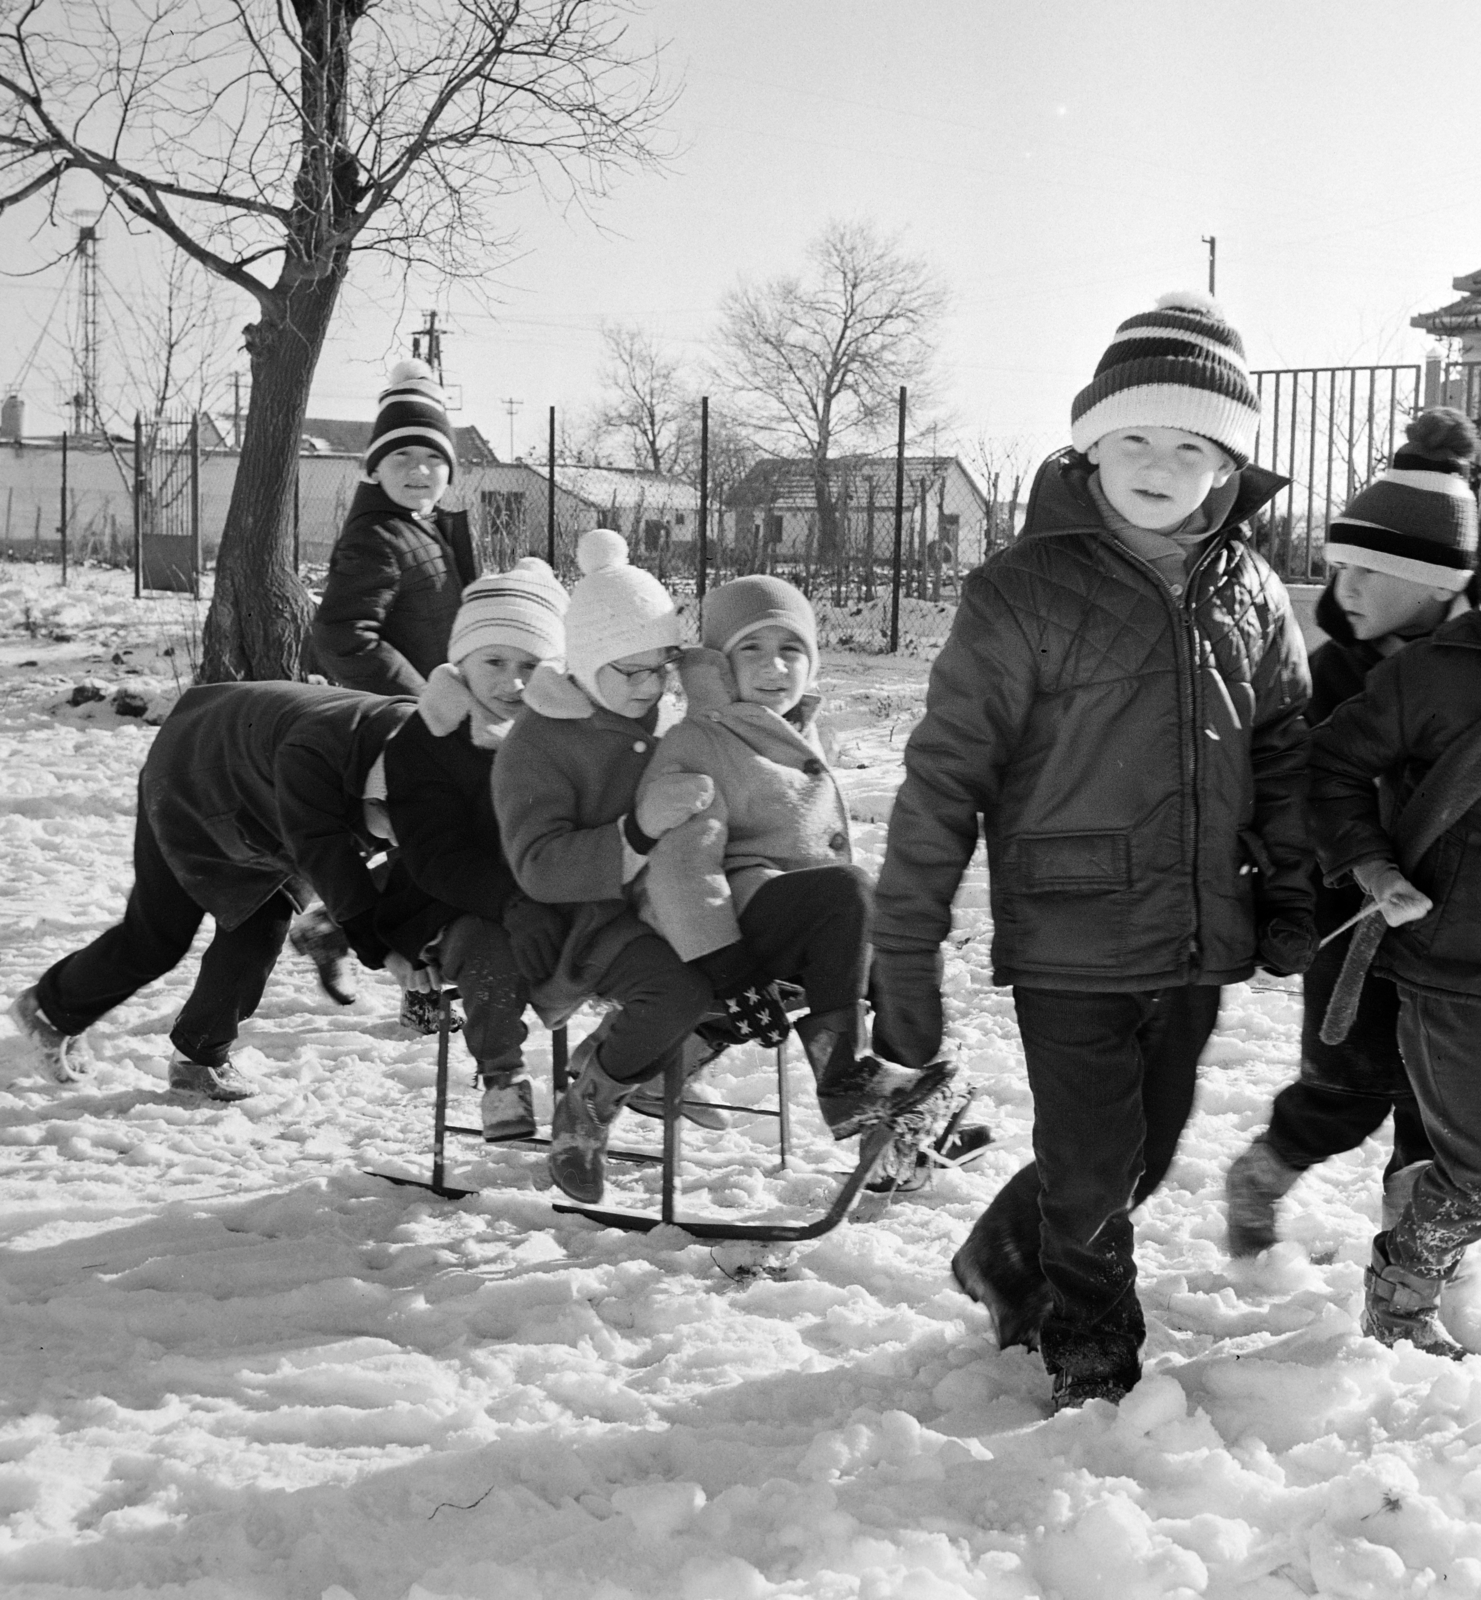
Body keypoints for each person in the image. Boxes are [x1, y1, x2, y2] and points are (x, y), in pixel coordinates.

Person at [869, 291, 1315, 1410]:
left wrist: (1292, 885)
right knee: (1090, 1163)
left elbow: (1285, 753)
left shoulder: (1252, 592)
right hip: (1070, 929)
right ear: (1087, 443)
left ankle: (1002, 1255)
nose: (1157, 463)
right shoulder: (1017, 592)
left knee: (1143, 1157)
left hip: (1197, 929)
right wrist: (903, 957)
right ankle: (1089, 1348)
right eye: (1132, 438)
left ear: (1225, 465)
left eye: (1189, 444)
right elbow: (940, 782)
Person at [1224, 410, 1479, 1255]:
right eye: (1340, 568)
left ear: (1440, 584)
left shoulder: (1463, 674)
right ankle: (1265, 1170)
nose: (1346, 590)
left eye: (1370, 570)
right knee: (1348, 1087)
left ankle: (1411, 1270)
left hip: (1453, 942)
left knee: (1436, 1112)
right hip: (1358, 927)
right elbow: (1309, 779)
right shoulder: (1337, 673)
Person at [636, 575, 961, 1165]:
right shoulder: (700, 740)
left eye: (792, 650)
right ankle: (845, 1081)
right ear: (719, 663)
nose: (774, 667)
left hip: (802, 928)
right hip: (721, 937)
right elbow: (682, 873)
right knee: (850, 892)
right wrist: (729, 970)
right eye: (751, 649)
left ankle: (902, 1129)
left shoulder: (794, 733)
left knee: (905, 938)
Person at [7, 682, 416, 1101]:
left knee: (257, 936)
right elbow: (327, 857)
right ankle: (50, 1011)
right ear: (373, 798)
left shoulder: (430, 754)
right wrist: (386, 948)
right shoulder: (317, 756)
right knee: (158, 936)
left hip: (261, 788)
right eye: (386, 832)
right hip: (191, 776)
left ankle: (198, 1059)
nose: (386, 845)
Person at [1306, 431, 1481, 1358]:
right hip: (1453, 971)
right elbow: (1328, 763)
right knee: (1474, 1168)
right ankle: (1401, 1295)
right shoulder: (1431, 675)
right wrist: (1372, 868)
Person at [492, 529, 712, 1204]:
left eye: (660, 669)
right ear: (587, 661)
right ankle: (588, 1107)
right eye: (630, 670)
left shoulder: (648, 713)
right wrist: (638, 832)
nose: (650, 687)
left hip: (663, 901)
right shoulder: (538, 742)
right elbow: (538, 864)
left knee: (757, 961)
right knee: (680, 988)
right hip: (577, 923)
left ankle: (642, 1063)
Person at [307, 357, 477, 1035]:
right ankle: (420, 986)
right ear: (373, 468)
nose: (419, 469)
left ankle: (333, 929)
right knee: (432, 844)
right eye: (401, 455)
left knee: (425, 848)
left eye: (432, 457)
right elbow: (343, 634)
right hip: (409, 722)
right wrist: (420, 700)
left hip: (446, 716)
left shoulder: (427, 527)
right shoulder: (378, 534)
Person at [374, 559, 571, 1142]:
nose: (512, 682)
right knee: (490, 953)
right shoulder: (427, 739)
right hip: (448, 900)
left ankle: (619, 1076)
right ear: (460, 660)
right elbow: (435, 855)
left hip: (544, 889)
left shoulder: (555, 730)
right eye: (494, 662)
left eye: (530, 666)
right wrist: (511, 899)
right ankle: (502, 1078)